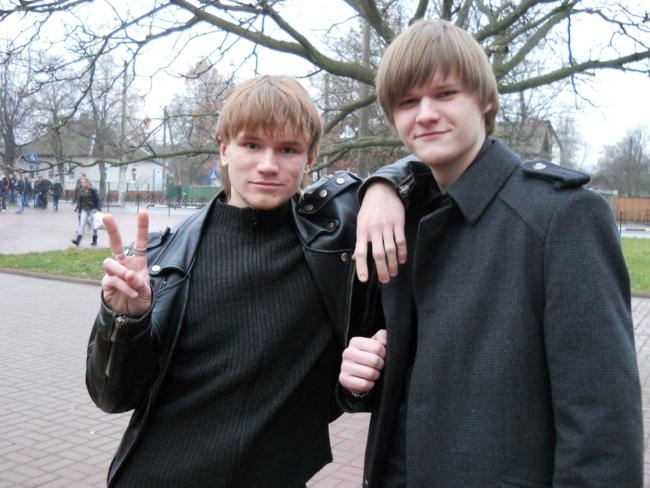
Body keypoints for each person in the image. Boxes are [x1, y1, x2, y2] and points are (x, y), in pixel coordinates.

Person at [338, 19, 643, 487]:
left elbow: (603, 432)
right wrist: (364, 372)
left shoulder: (562, 216)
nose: (425, 114)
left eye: (445, 94)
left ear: (484, 99)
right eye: (408, 102)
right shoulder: (404, 218)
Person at [85, 75, 385, 487]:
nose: (268, 164)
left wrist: (386, 187)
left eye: (288, 149)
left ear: (310, 158)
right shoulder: (163, 261)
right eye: (252, 145)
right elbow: (111, 397)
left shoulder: (334, 250)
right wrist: (123, 320)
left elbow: (434, 163)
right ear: (224, 150)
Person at [72, 177, 101, 246]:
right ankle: (78, 241)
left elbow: (97, 200)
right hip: (84, 209)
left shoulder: (93, 190)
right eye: (82, 182)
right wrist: (79, 209)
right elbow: (79, 201)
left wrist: (98, 209)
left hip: (93, 209)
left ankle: (94, 240)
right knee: (82, 224)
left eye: (84, 182)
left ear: (88, 183)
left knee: (94, 225)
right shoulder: (81, 191)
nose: (83, 184)